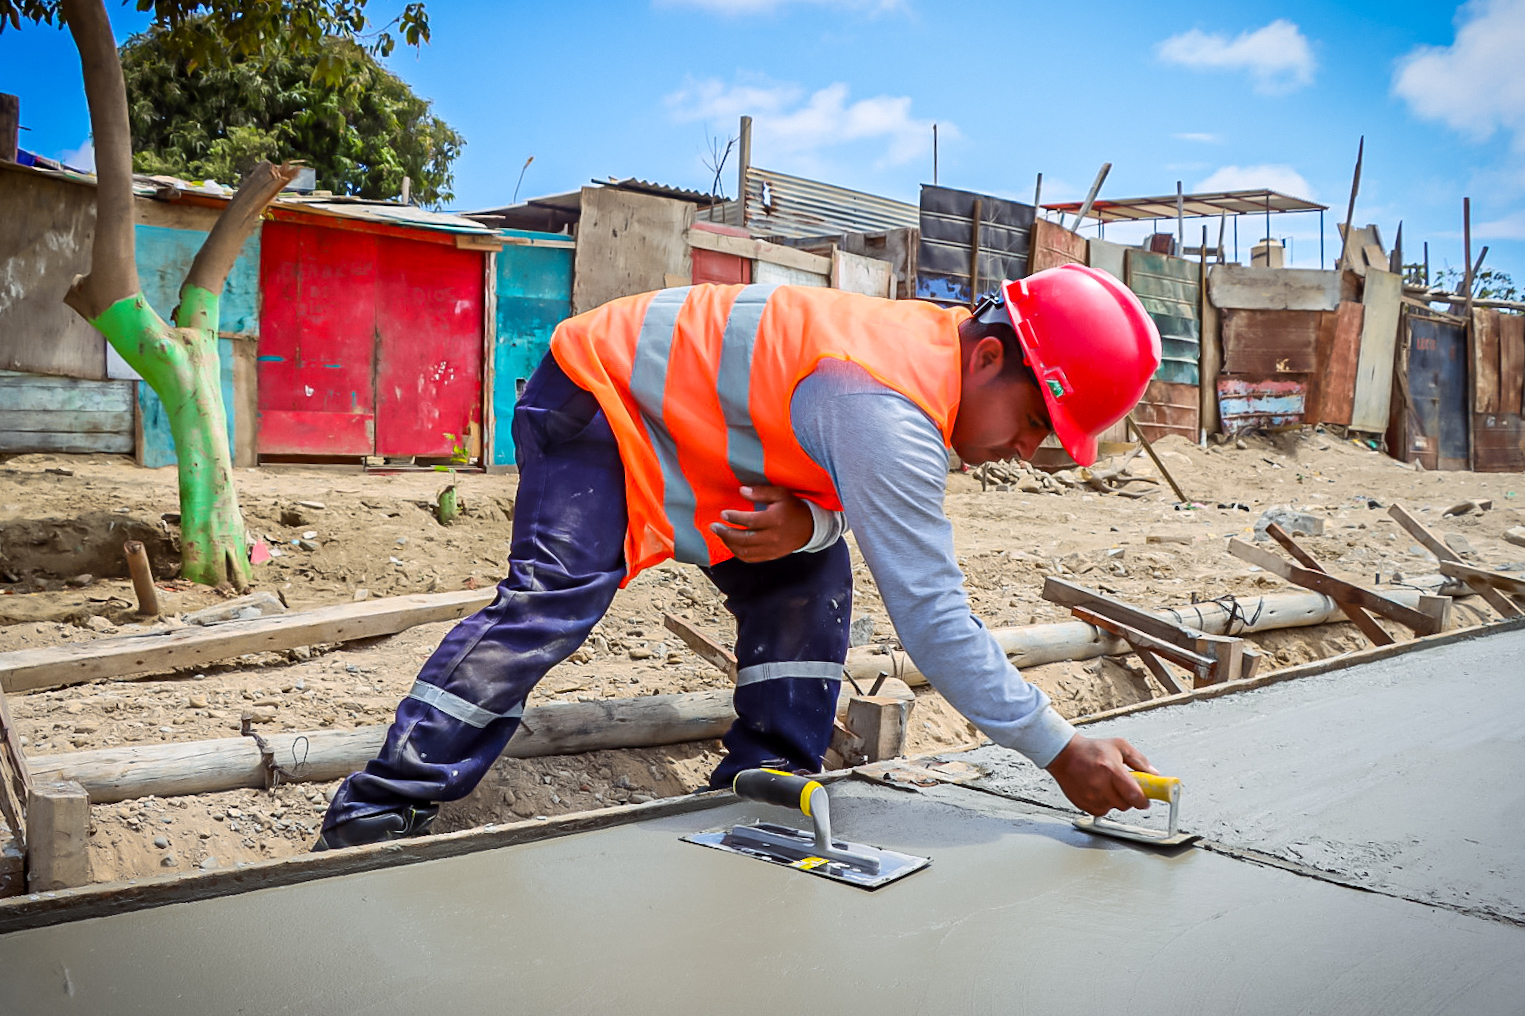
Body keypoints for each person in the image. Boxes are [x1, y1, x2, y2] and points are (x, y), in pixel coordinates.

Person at [315, 264, 1163, 849]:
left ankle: (761, 778)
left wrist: (808, 530)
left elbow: (823, 494)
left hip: (700, 440)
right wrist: (1058, 747)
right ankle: (383, 805)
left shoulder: (923, 374)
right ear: (988, 358)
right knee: (557, 592)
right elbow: (933, 620)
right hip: (599, 398)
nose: (1025, 449)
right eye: (1034, 423)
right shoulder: (888, 404)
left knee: (805, 573)